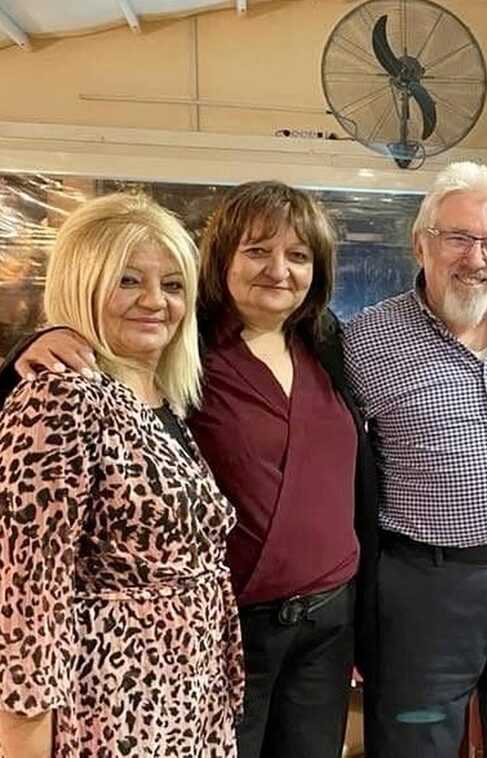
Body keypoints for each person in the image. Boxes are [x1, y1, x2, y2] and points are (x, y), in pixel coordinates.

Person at [7, 182, 377, 758]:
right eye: (257, 251)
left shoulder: (326, 343)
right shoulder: (182, 346)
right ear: (221, 259)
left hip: (322, 623)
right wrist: (44, 340)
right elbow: (41, 477)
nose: (279, 269)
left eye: (299, 255)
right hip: (212, 636)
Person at [344, 161, 487, 757]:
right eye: (458, 238)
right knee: (414, 744)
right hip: (424, 591)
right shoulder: (366, 341)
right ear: (420, 244)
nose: (476, 258)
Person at [0, 193, 244, 757]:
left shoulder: (161, 396)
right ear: (83, 282)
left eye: (173, 285)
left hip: (185, 697)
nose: (155, 301)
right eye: (128, 280)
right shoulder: (59, 397)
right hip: (110, 706)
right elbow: (25, 604)